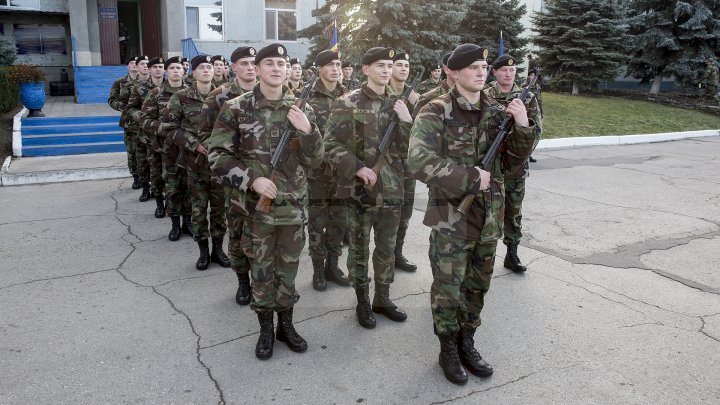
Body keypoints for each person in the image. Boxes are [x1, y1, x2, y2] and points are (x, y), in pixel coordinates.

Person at [408, 44, 539, 385]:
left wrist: (523, 126)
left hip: (488, 218)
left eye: (484, 66)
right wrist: (468, 177)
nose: (482, 72)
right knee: (448, 289)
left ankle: (468, 341)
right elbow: (418, 161)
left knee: (477, 287)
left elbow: (511, 165)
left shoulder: (497, 111)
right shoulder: (435, 111)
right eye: (474, 67)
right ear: (453, 72)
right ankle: (447, 348)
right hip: (450, 216)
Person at [208, 43, 323, 359]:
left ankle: (286, 326)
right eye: (268, 62)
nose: (276, 68)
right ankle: (264, 331)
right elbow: (217, 156)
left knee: (288, 270)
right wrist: (251, 180)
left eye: (281, 63)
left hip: (293, 209)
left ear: (288, 70)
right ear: (256, 69)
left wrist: (309, 131)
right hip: (254, 211)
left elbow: (317, 161)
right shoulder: (236, 108)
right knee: (260, 271)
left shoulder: (302, 110)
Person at [325, 47, 412, 329]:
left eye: (390, 65)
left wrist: (408, 121)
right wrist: (357, 167)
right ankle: (362, 301)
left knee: (386, 249)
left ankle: (383, 298)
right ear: (365, 69)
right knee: (360, 249)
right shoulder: (347, 102)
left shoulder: (398, 103)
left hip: (392, 189)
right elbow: (330, 145)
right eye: (380, 66)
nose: (387, 70)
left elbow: (410, 148)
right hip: (360, 190)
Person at [198, 46, 257, 306]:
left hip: (271, 180)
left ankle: (270, 284)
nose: (250, 68)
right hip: (235, 180)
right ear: (234, 67)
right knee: (238, 234)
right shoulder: (219, 97)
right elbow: (205, 135)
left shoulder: (274, 95)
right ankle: (243, 282)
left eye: (254, 63)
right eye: (244, 63)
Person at [166, 54, 231, 271]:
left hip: (221, 163)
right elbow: (170, 127)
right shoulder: (182, 97)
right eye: (201, 67)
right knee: (199, 209)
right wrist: (194, 144)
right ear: (193, 72)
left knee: (220, 209)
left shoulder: (224, 95)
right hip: (196, 163)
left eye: (210, 67)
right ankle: (203, 251)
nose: (206, 70)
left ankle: (218, 249)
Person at [487, 54, 542, 273]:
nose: (508, 74)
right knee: (487, 210)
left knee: (514, 210)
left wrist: (522, 153)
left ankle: (512, 252)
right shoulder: (485, 96)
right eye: (503, 71)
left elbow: (536, 130)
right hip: (491, 164)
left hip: (516, 167)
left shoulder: (526, 98)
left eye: (512, 71)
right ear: (495, 73)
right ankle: (482, 256)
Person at [304, 49, 350, 291]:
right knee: (317, 223)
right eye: (330, 64)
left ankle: (333, 265)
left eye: (338, 64)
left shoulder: (349, 96)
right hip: (318, 173)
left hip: (342, 172)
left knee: (339, 222)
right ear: (319, 68)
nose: (336, 69)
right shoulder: (307, 97)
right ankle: (318, 269)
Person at [140, 56, 185, 222]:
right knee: (160, 177)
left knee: (185, 184)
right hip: (161, 145)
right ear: (167, 71)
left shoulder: (190, 92)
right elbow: (144, 119)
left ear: (184, 71)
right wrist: (166, 129)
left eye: (178, 68)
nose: (175, 71)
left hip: (185, 145)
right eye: (172, 68)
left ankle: (186, 219)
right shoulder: (156, 93)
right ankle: (160, 203)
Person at [389, 50, 420, 272]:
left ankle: (397, 253)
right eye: (398, 64)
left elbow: (424, 135)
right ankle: (384, 255)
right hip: (387, 165)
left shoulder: (416, 99)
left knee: (405, 212)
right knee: (385, 216)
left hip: (408, 165)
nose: (403, 69)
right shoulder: (383, 95)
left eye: (406, 66)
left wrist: (416, 107)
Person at [123, 55, 153, 202]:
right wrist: (139, 116)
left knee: (156, 162)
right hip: (136, 127)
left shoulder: (161, 84)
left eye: (148, 64)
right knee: (139, 158)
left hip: (157, 130)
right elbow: (126, 105)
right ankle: (144, 185)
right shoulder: (130, 85)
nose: (145, 66)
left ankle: (158, 189)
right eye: (142, 64)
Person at [108, 56, 139, 188]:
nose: (134, 65)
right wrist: (123, 107)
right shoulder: (120, 82)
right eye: (131, 63)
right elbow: (111, 100)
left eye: (136, 63)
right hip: (129, 123)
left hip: (146, 123)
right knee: (132, 152)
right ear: (127, 66)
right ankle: (136, 177)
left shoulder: (148, 81)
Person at [413, 53, 453, 117]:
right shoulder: (424, 84)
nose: (437, 73)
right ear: (431, 72)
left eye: (438, 71)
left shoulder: (443, 84)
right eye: (435, 71)